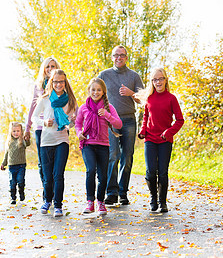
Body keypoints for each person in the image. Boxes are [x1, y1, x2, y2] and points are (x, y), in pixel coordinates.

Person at [98, 45, 144, 205]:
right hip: (110, 121)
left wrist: (132, 94)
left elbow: (143, 99)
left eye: (122, 55)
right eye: (116, 55)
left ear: (126, 57)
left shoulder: (134, 76)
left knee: (127, 156)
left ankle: (123, 192)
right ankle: (111, 192)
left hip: (129, 120)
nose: (119, 58)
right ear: (112, 57)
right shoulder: (104, 75)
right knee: (113, 155)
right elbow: (96, 94)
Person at [137, 68, 184, 212]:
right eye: (155, 79)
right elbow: (146, 116)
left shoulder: (171, 98)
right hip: (150, 139)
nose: (158, 82)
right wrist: (143, 129)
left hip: (165, 140)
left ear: (165, 80)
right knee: (151, 172)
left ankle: (162, 201)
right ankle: (153, 198)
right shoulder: (149, 98)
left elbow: (180, 120)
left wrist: (169, 132)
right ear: (152, 82)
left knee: (162, 172)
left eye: (161, 79)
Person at [32, 69, 78, 217]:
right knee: (48, 175)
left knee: (58, 174)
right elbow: (34, 117)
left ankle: (58, 205)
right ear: (51, 82)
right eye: (56, 81)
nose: (58, 84)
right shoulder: (45, 99)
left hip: (62, 140)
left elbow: (70, 124)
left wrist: (71, 122)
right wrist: (44, 122)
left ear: (65, 83)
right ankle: (47, 200)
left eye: (61, 81)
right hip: (46, 141)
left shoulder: (70, 100)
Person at [75, 78, 122, 216]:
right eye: (93, 89)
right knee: (90, 170)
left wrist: (107, 115)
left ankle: (100, 202)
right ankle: (90, 202)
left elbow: (119, 124)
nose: (96, 92)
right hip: (88, 144)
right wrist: (79, 133)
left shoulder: (108, 108)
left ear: (103, 92)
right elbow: (78, 124)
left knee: (102, 176)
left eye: (98, 90)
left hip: (103, 145)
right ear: (89, 91)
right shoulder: (83, 108)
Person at [24, 57, 61, 200]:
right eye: (47, 66)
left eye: (53, 66)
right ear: (44, 69)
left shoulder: (61, 84)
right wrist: (27, 127)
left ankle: (52, 191)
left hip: (57, 126)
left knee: (54, 162)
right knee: (43, 162)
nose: (50, 69)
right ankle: (47, 191)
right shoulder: (38, 86)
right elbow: (33, 107)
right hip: (40, 127)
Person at [0, 122, 31, 205]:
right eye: (14, 131)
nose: (16, 133)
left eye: (18, 131)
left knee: (20, 181)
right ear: (10, 132)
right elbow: (6, 154)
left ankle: (21, 191)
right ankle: (13, 198)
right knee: (12, 182)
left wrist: (27, 139)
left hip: (21, 165)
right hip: (11, 166)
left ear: (21, 132)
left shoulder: (22, 141)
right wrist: (3, 163)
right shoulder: (9, 142)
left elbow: (27, 143)